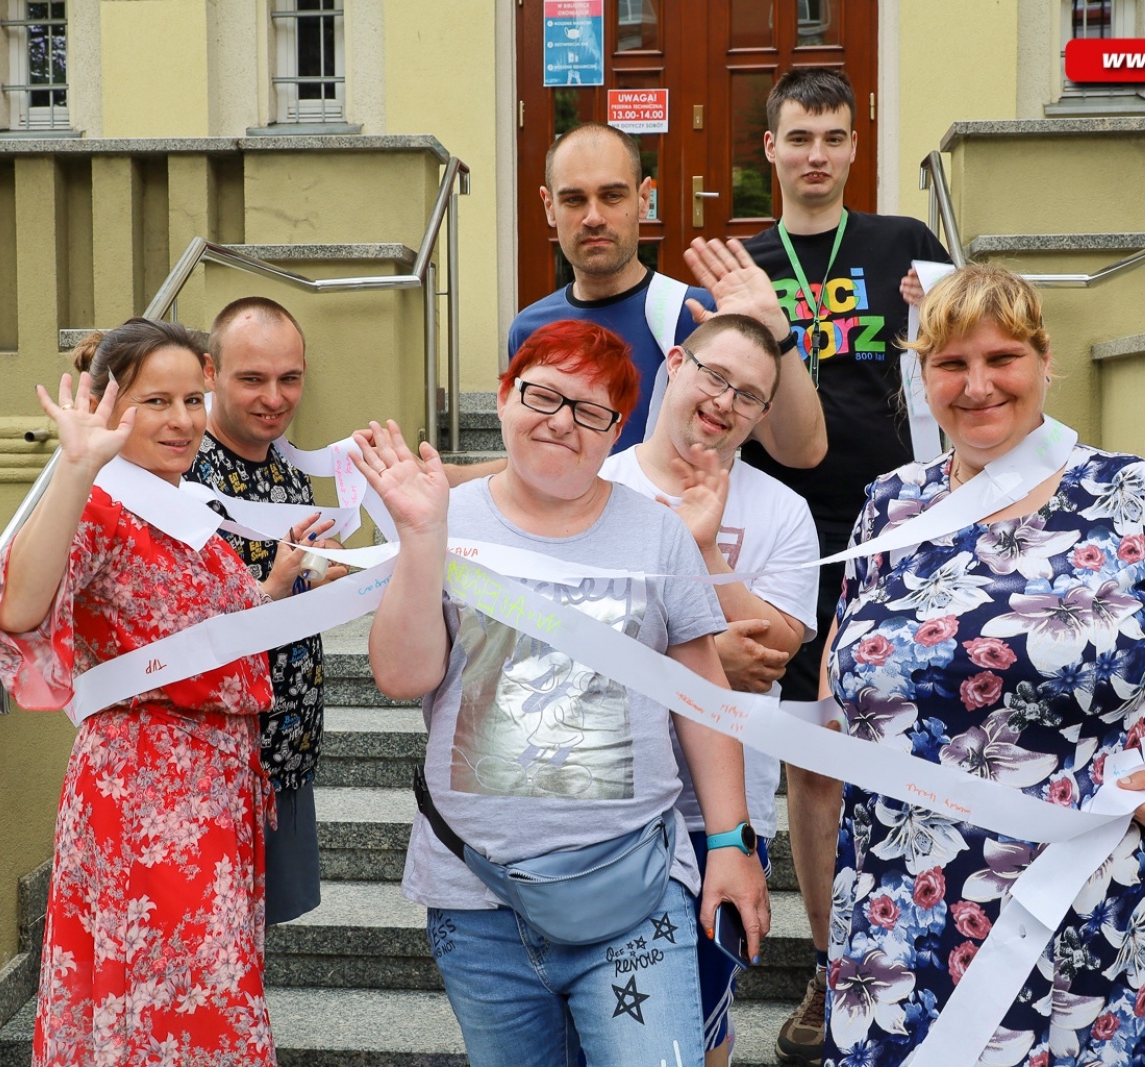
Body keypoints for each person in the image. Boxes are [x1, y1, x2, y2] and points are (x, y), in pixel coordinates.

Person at [820, 264, 1145, 1066]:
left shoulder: (1140, 495)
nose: (977, 386)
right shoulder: (890, 505)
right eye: (950, 364)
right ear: (921, 374)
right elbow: (848, 654)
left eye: (1001, 358)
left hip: (1088, 895)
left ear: (1043, 360)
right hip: (902, 897)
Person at [351, 318, 771, 1067]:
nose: (561, 422)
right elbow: (401, 676)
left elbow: (702, 694)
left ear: (616, 431)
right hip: (477, 896)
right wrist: (419, 539)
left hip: (636, 893)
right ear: (507, 398)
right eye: (543, 395)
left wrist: (731, 840)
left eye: (590, 410)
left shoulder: (658, 535)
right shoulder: (443, 521)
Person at [0, 318, 322, 1065]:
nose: (184, 420)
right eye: (156, 401)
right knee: (167, 1001)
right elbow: (18, 607)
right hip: (149, 789)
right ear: (107, 406)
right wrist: (73, 469)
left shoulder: (179, 502)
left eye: (192, 399)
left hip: (215, 789)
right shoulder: (100, 501)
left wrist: (276, 585)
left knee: (202, 991)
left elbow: (196, 631)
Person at [735, 67, 951, 1064]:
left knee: (908, 747)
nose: (814, 153)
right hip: (781, 534)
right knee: (809, 763)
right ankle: (831, 961)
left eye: (831, 135)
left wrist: (934, 310)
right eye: (797, 136)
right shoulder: (740, 261)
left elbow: (974, 358)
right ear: (768, 148)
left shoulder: (901, 244)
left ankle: (927, 934)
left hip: (895, 529)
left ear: (852, 146)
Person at [601, 313, 819, 1067]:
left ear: (763, 415)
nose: (726, 402)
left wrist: (701, 548)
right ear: (674, 363)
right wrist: (703, 650)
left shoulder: (782, 511)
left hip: (722, 814)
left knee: (701, 1018)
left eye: (750, 395)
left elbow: (776, 651)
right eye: (715, 377)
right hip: (604, 801)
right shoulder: (596, 484)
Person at [451, 122, 825, 484]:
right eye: (574, 199)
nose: (594, 217)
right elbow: (535, 463)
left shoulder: (700, 316)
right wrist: (456, 479)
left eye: (612, 196)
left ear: (644, 198)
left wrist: (778, 334)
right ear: (549, 206)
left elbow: (801, 451)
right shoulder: (530, 329)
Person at [185, 295, 348, 925]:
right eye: (252, 379)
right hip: (212, 756)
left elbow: (288, 595)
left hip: (287, 744)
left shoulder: (290, 467)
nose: (274, 398)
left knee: (251, 936)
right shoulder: (179, 467)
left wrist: (327, 580)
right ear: (210, 373)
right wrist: (273, 589)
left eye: (290, 379)